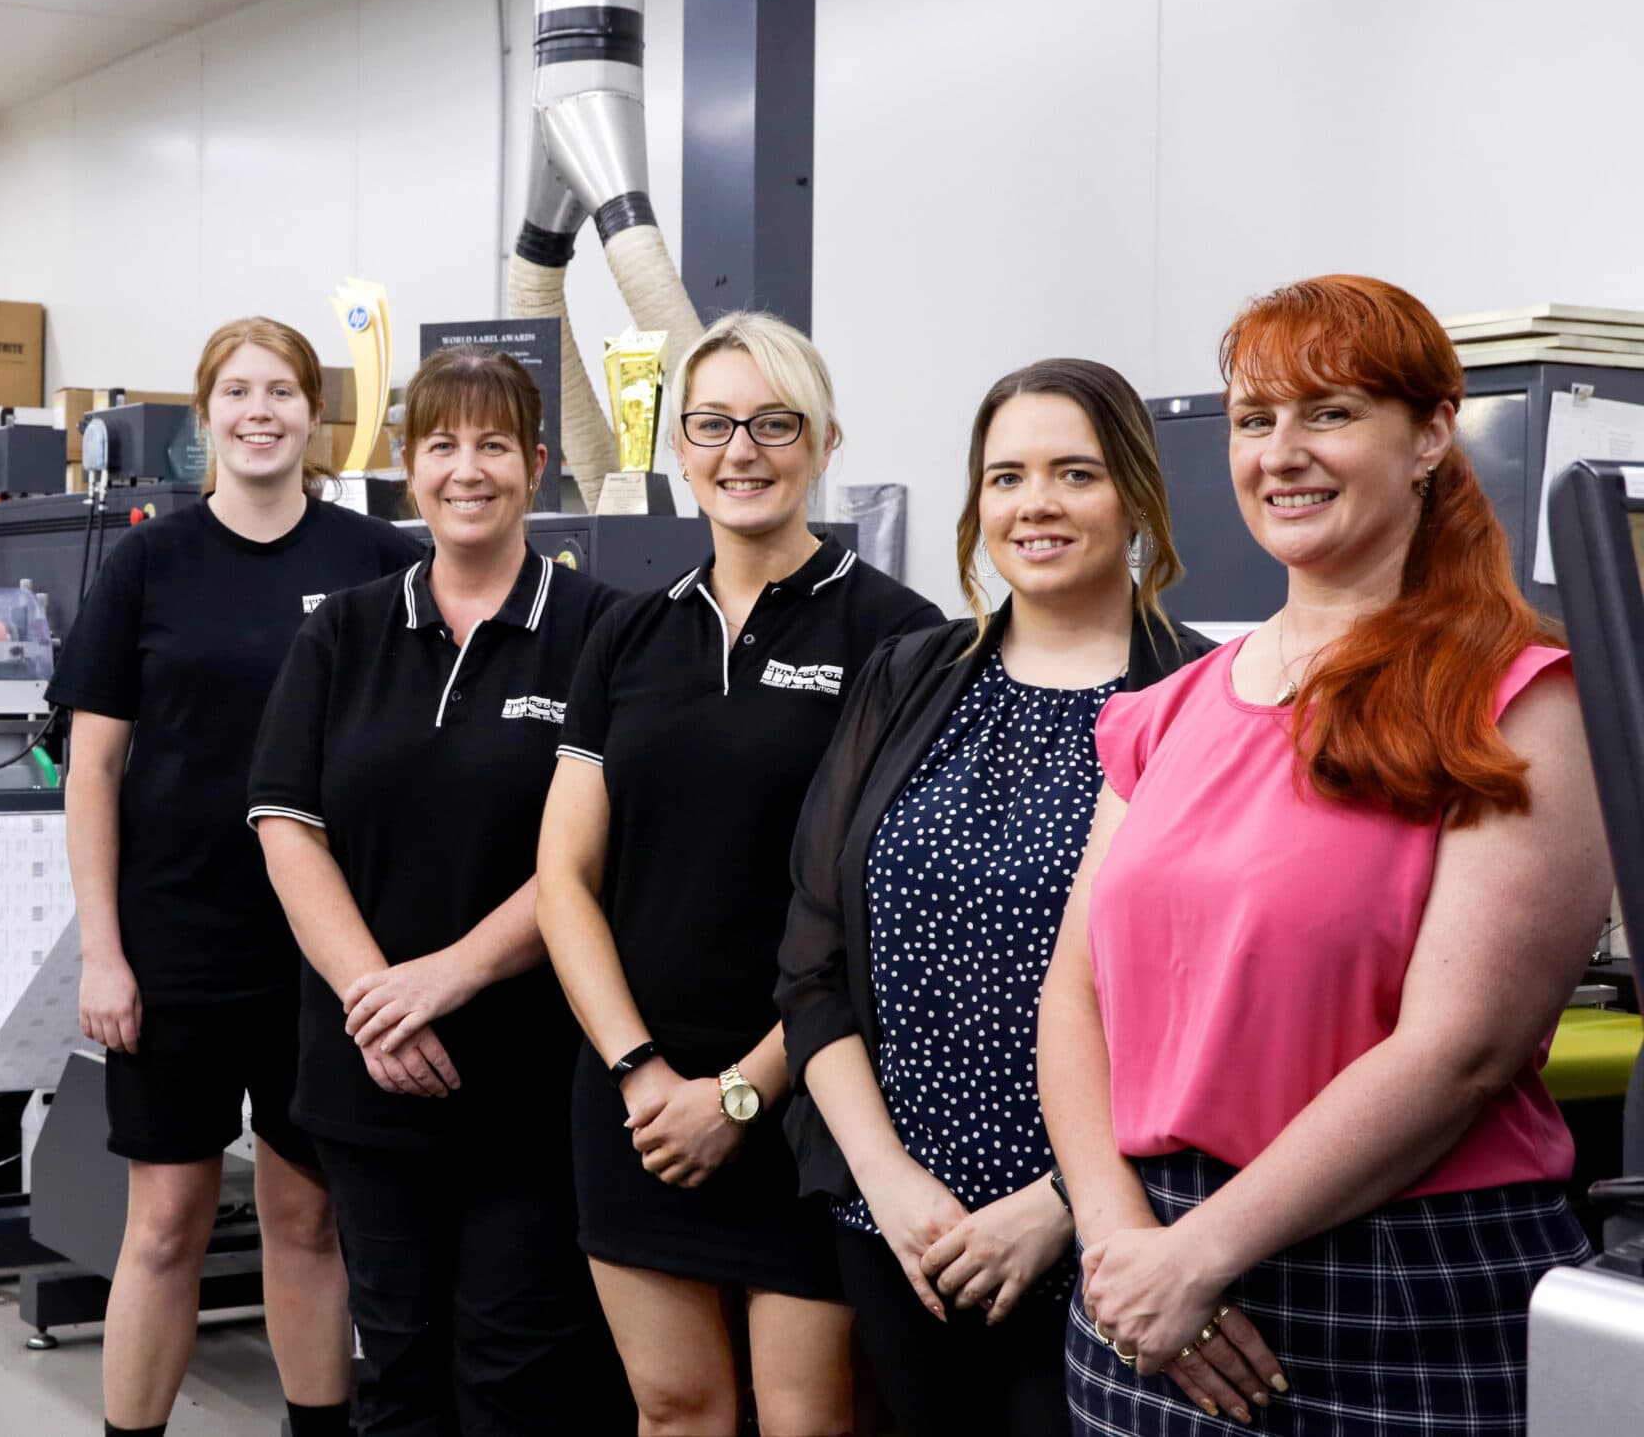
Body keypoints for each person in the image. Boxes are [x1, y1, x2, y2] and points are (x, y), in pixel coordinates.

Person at [1038, 276, 1612, 1436]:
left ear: (1431, 435)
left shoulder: (1517, 698)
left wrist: (1204, 1252)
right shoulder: (1168, 709)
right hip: (1141, 1283)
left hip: (1400, 1282)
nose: (1282, 454)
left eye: (1331, 413)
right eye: (1255, 420)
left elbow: (1464, 1047)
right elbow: (1073, 994)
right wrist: (1120, 1246)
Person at [777, 360, 1213, 1436]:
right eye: (1006, 476)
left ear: (1137, 499)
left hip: (1110, 1241)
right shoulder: (906, 677)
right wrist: (884, 1182)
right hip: (900, 1232)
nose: (1036, 504)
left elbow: (1217, 1016)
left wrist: (1056, 1212)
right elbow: (812, 962)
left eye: (1074, 473)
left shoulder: (1202, 708)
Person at [537, 311, 943, 1436]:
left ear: (822, 441)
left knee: (810, 1416)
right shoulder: (627, 636)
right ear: (678, 448)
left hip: (815, 1100)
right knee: (673, 1409)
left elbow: (882, 908)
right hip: (635, 1100)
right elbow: (565, 876)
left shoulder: (899, 638)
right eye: (712, 424)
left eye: (774, 422)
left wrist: (744, 1091)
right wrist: (637, 1073)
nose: (741, 451)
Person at [49, 317, 423, 1437]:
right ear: (205, 416)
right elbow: (93, 769)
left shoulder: (374, 561)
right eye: (237, 392)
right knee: (163, 1224)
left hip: (323, 957)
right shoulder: (149, 563)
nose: (260, 412)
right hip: (177, 948)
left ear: (315, 416)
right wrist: (104, 954)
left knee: (305, 1219)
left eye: (282, 392)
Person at [249, 348, 633, 1435]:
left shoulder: (603, 631)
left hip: (531, 1078)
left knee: (516, 1373)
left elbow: (594, 851)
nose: (469, 470)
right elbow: (285, 825)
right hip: (366, 1071)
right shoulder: (342, 630)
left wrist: (448, 979)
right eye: (444, 446)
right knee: (400, 1364)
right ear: (408, 467)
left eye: (495, 445)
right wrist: (377, 996)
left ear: (540, 466)